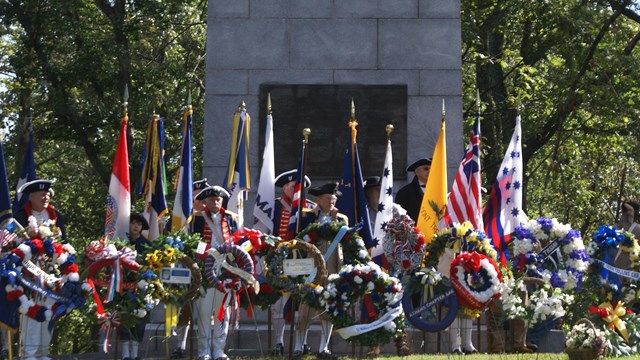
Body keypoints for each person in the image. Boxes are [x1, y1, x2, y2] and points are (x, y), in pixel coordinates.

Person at [14, 179, 64, 360]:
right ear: (31, 196)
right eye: (42, 195)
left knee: (49, 309)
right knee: (30, 311)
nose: (46, 197)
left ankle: (43, 353)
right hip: (29, 274)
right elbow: (12, 243)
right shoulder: (19, 216)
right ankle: (29, 354)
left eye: (48, 194)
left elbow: (63, 243)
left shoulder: (57, 216)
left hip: (52, 272)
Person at [296, 183, 347, 359]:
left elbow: (346, 242)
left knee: (328, 305)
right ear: (318, 200)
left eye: (334, 198)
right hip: (312, 267)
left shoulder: (341, 219)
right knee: (306, 305)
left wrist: (334, 219)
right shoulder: (307, 216)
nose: (332, 201)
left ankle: (323, 347)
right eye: (328, 198)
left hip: (333, 266)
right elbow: (299, 239)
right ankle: (299, 345)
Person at [192, 185, 238, 360]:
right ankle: (204, 350)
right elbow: (194, 243)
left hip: (226, 270)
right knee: (204, 311)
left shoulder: (232, 219)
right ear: (205, 202)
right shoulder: (197, 219)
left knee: (222, 311)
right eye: (211, 199)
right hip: (205, 268)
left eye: (218, 199)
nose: (215, 202)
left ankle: (219, 348)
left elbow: (238, 241)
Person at [270, 169, 312, 356]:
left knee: (304, 304)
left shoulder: (311, 208)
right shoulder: (274, 207)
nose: (295, 190)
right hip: (281, 262)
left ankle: (300, 344)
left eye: (298, 187)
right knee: (280, 304)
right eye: (291, 186)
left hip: (306, 262)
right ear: (284, 189)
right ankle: (278, 342)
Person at [172, 178, 210, 359]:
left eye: (203, 197)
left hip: (206, 267)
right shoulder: (183, 218)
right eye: (196, 197)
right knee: (184, 308)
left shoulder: (210, 218)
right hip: (185, 267)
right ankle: (180, 346)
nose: (200, 201)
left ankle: (206, 347)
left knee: (205, 310)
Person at [120, 213, 152, 360]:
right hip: (124, 287)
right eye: (133, 223)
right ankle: (125, 354)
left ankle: (135, 354)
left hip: (141, 288)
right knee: (125, 319)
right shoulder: (121, 243)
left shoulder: (146, 245)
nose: (135, 226)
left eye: (138, 224)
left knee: (139, 320)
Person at [395, 158, 431, 222]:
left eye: (432, 169)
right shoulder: (404, 193)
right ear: (417, 171)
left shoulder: (439, 191)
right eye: (426, 169)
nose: (429, 171)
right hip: (414, 230)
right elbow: (399, 217)